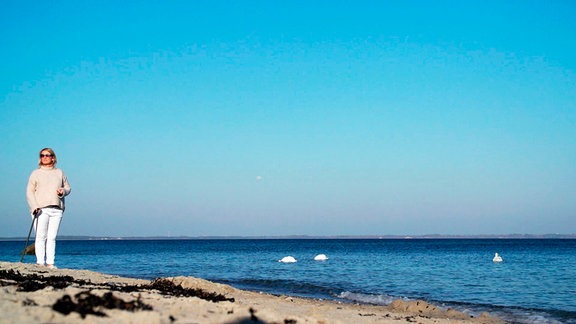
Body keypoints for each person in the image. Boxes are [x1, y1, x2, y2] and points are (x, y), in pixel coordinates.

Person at [26, 148, 71, 269]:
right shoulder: (35, 173)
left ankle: (50, 263)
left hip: (57, 209)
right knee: (41, 236)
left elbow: (68, 188)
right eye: (42, 155)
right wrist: (34, 206)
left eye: (47, 155)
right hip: (40, 209)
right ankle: (40, 262)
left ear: (53, 157)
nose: (44, 157)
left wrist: (63, 191)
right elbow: (29, 192)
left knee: (52, 237)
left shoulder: (59, 172)